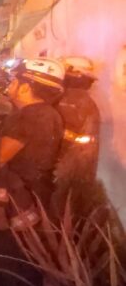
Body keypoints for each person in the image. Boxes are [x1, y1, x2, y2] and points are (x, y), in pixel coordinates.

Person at [0, 58, 65, 286]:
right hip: (35, 200)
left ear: (27, 87)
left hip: (14, 204)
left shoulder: (28, 117)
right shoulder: (51, 115)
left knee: (8, 265)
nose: (12, 82)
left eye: (16, 79)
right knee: (26, 263)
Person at [52, 56, 100, 217]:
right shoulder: (85, 100)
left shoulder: (70, 99)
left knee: (58, 204)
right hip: (79, 163)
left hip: (68, 162)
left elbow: (69, 135)